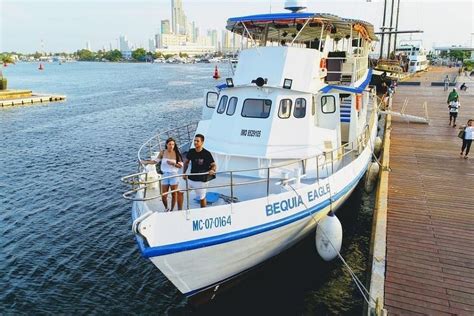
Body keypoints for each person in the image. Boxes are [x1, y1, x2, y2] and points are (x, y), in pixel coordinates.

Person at [141, 137, 183, 211]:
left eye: (173, 144)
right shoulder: (162, 152)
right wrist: (146, 162)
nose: (171, 146)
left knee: (174, 194)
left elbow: (180, 166)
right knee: (163, 195)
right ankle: (166, 208)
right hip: (165, 175)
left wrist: (174, 164)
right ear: (166, 144)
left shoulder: (176, 153)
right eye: (170, 144)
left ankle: (172, 209)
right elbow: (155, 161)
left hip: (174, 175)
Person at [182, 134, 216, 208]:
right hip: (192, 178)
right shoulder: (191, 151)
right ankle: (179, 210)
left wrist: (212, 170)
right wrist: (184, 173)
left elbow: (213, 165)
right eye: (194, 140)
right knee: (179, 192)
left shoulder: (207, 153)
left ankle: (203, 212)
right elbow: (186, 162)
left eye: (197, 141)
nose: (195, 142)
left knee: (202, 198)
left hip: (202, 180)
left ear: (202, 142)